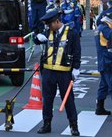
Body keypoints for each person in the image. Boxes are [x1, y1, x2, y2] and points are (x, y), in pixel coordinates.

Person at [34, 8, 81, 136]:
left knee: (69, 100)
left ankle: (73, 126)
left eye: (50, 24)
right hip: (48, 72)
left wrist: (76, 68)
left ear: (56, 21)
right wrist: (37, 37)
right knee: (47, 100)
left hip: (64, 73)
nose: (48, 27)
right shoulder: (47, 32)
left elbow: (77, 51)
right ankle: (46, 124)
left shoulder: (71, 33)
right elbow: (35, 39)